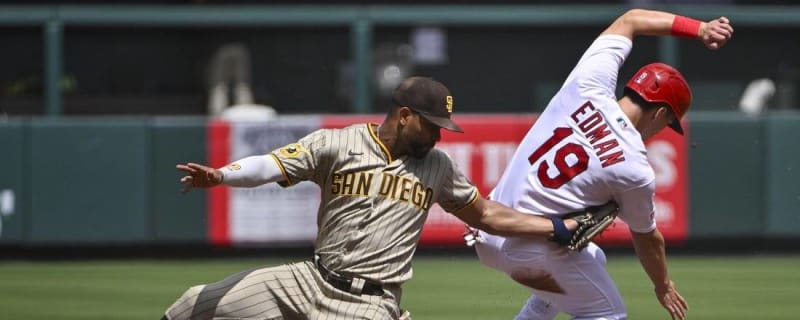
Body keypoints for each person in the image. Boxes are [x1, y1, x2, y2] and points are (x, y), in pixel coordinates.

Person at [163, 76, 581, 320]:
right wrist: (221, 175)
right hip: (308, 279)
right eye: (433, 125)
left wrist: (554, 226)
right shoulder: (337, 144)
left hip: (368, 303)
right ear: (404, 116)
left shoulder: (438, 168)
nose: (439, 135)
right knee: (191, 306)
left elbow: (487, 214)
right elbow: (270, 166)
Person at [470, 9, 733, 320]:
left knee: (593, 258)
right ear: (661, 113)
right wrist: (662, 285)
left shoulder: (588, 84)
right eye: (669, 123)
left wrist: (700, 28)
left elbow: (632, 19)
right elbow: (648, 238)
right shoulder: (634, 166)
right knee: (608, 313)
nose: (663, 129)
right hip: (526, 248)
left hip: (488, 228)